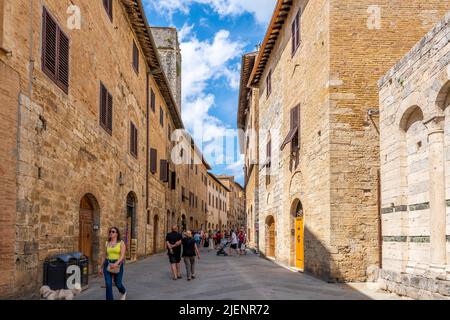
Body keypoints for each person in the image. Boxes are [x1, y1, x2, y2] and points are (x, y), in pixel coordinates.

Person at [99, 227, 127, 300]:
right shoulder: (107, 243)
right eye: (110, 232)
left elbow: (122, 255)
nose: (111, 233)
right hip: (107, 264)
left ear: (117, 234)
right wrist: (101, 267)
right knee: (108, 284)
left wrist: (116, 263)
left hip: (118, 265)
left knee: (118, 283)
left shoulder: (121, 243)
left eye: (113, 231)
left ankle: (123, 292)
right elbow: (104, 255)